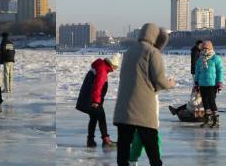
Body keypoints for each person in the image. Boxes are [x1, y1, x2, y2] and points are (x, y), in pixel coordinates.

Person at [113, 23, 176, 166]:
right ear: (154, 36)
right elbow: (160, 81)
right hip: (143, 110)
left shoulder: (128, 52)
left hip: (123, 109)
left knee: (123, 149)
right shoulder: (153, 53)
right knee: (152, 150)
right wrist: (170, 84)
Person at [75, 54, 121, 148]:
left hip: (86, 99)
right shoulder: (102, 70)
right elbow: (98, 86)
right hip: (91, 100)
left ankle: (90, 141)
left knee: (94, 118)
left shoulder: (99, 67)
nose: (115, 69)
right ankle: (106, 140)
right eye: (115, 67)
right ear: (112, 65)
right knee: (101, 117)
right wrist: (96, 101)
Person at [193, 40, 224, 128]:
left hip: (212, 84)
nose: (205, 50)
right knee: (205, 102)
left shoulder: (216, 58)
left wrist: (220, 82)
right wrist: (196, 83)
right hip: (202, 84)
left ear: (210, 48)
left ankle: (216, 120)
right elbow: (197, 72)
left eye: (206, 48)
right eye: (203, 48)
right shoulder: (200, 59)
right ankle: (208, 119)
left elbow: (220, 71)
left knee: (212, 102)